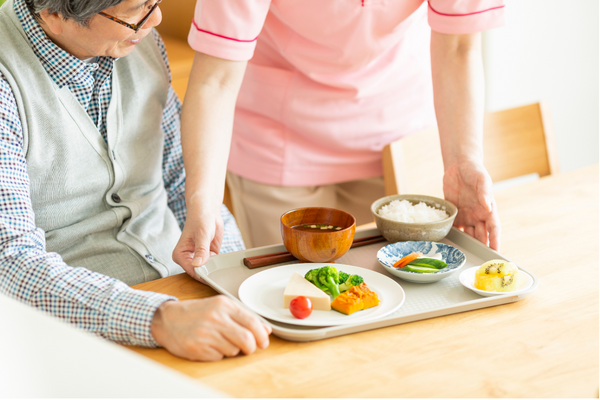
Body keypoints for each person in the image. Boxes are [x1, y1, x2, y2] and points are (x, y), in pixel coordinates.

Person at [0, 0, 270, 362]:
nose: (155, 18)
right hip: (80, 330)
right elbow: (12, 263)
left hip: (186, 299)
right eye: (135, 11)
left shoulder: (139, 44)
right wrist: (159, 318)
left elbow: (180, 181)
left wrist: (238, 277)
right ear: (53, 16)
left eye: (154, 1)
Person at [172, 0, 504, 272]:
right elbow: (213, 82)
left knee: (392, 290)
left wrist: (463, 160)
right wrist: (203, 199)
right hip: (278, 140)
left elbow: (460, 46)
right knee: (294, 290)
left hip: (395, 133)